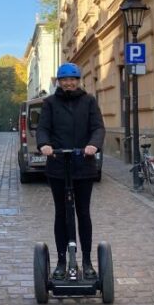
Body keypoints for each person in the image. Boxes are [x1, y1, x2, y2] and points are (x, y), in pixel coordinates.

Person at [36, 63, 105, 279]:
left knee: (83, 213)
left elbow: (98, 127)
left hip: (83, 165)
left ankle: (86, 260)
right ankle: (61, 261)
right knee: (62, 213)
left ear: (78, 80)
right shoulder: (49, 103)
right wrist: (44, 145)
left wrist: (93, 145)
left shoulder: (89, 101)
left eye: (72, 79)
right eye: (64, 80)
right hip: (58, 165)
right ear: (59, 81)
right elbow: (43, 128)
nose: (69, 83)